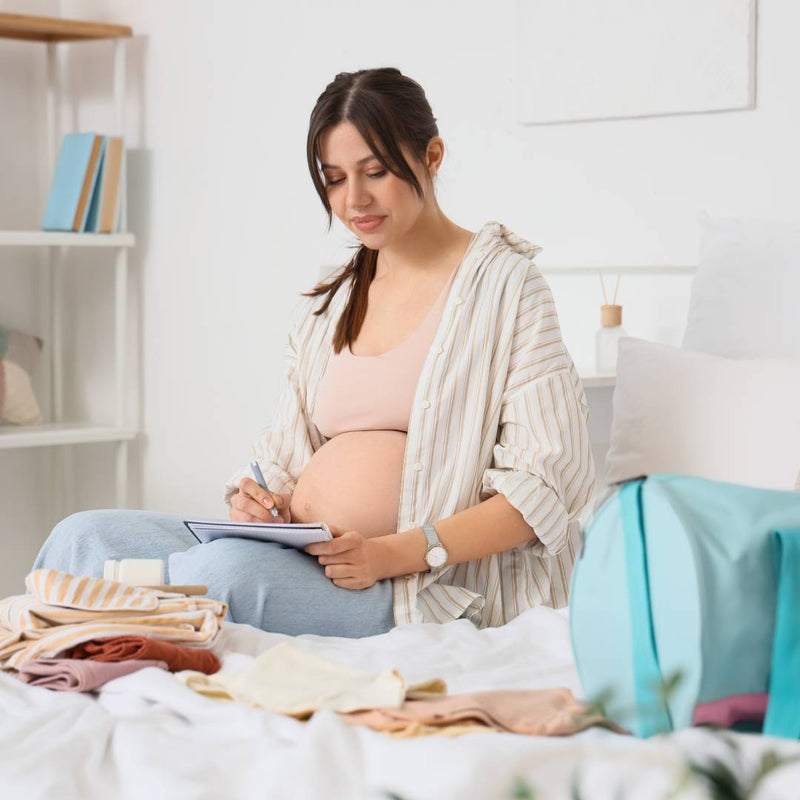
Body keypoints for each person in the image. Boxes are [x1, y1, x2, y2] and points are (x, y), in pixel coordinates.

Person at [32, 67, 596, 638]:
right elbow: (282, 454)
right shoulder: (335, 300)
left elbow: (542, 491)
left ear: (432, 156)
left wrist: (394, 554)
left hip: (419, 583)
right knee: (82, 537)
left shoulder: (507, 288)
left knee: (223, 575)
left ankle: (131, 618)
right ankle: (100, 638)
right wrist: (259, 502)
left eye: (375, 171)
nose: (354, 200)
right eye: (334, 178)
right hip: (302, 550)